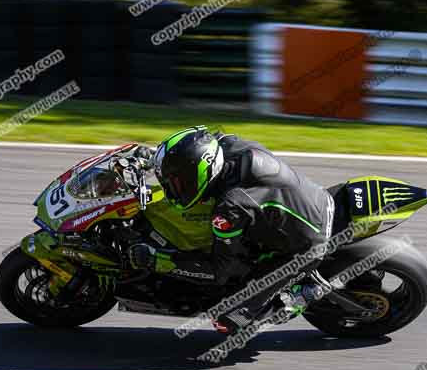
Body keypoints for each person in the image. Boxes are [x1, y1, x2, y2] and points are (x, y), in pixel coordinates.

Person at [128, 126, 335, 333]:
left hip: (306, 246)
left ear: (198, 175)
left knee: (226, 320)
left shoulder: (231, 207)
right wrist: (154, 158)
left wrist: (161, 261)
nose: (172, 190)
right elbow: (193, 146)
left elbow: (220, 271)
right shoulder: (223, 145)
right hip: (316, 199)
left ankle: (301, 295)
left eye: (179, 183)